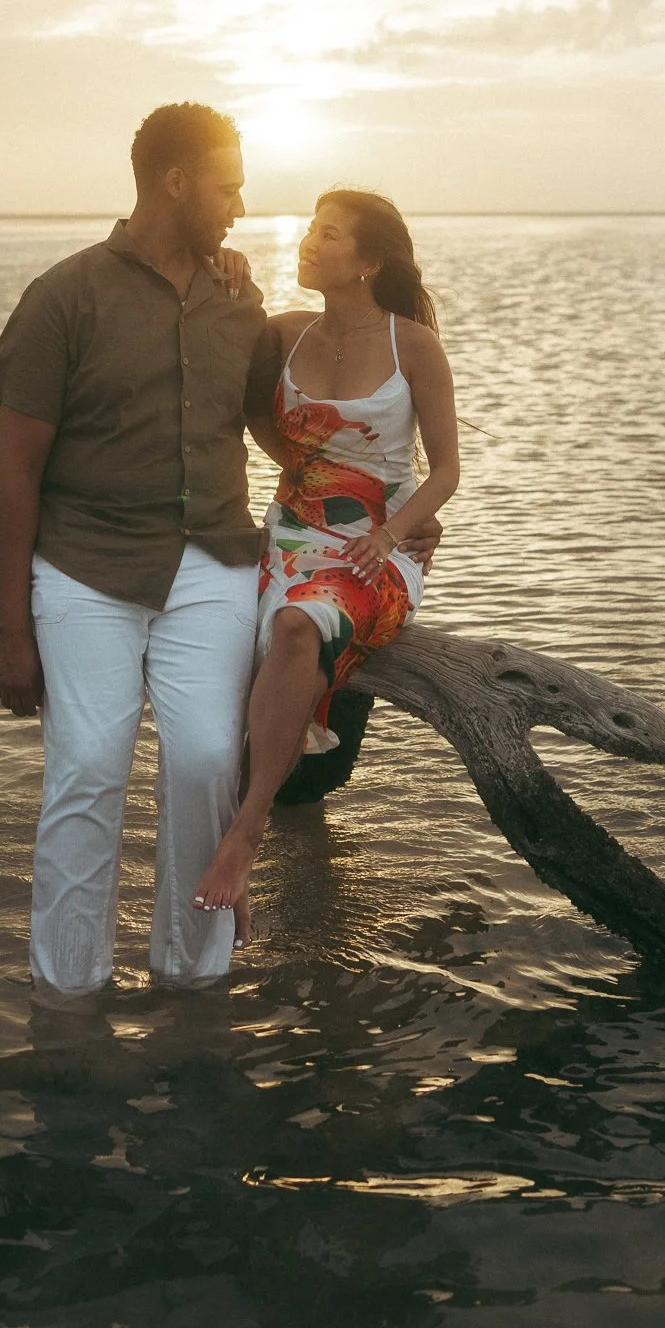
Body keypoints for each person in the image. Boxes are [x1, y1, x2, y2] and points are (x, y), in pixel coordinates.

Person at [0, 103, 273, 997]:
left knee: (206, 762)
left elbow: (281, 424)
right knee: (86, 770)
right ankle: (68, 999)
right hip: (84, 568)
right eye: (227, 187)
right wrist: (13, 630)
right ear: (174, 182)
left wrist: (386, 507)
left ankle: (191, 985)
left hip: (213, 561)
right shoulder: (64, 295)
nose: (240, 207)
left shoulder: (237, 298)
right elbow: (16, 473)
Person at [193, 190, 460, 923]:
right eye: (310, 230)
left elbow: (444, 472)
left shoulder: (414, 346)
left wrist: (393, 528)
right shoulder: (281, 334)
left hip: (380, 546)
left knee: (294, 627)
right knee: (244, 639)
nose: (310, 242)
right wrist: (227, 271)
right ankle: (275, 795)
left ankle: (244, 834)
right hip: (290, 530)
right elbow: (248, 407)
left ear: (369, 261)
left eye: (329, 234)